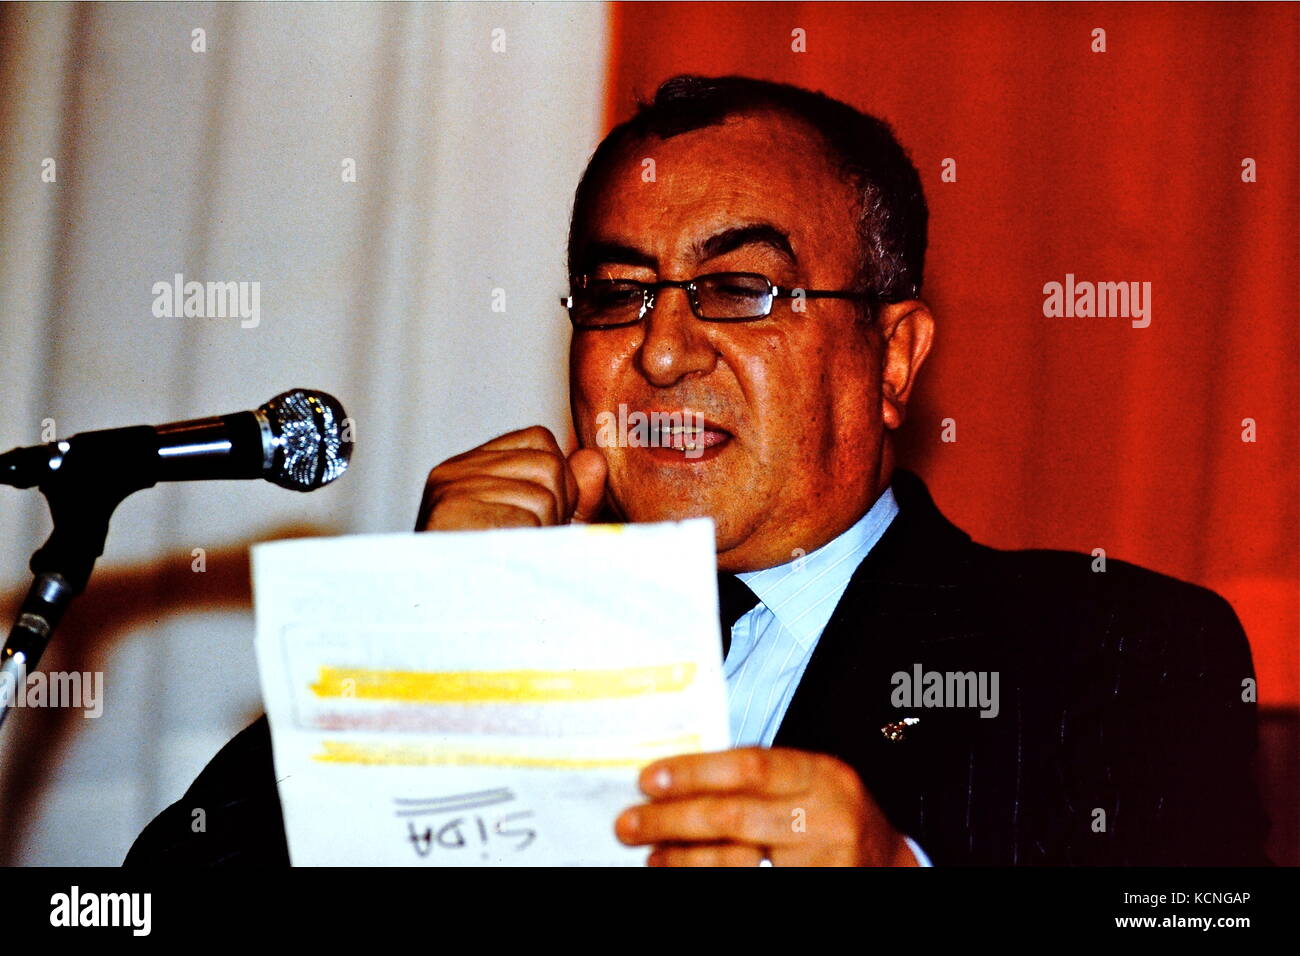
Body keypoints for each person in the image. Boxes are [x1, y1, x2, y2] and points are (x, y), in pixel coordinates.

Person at [125, 74, 1269, 867]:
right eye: (618, 294)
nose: (660, 351)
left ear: (894, 357)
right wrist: (428, 635)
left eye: (739, 288)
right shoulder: (492, 636)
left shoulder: (1110, 650)